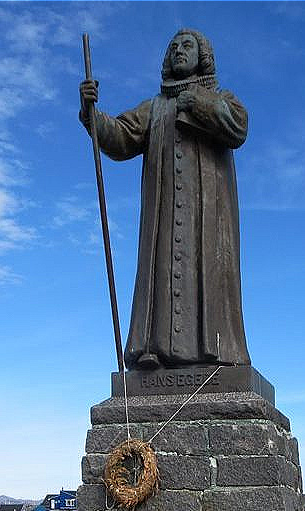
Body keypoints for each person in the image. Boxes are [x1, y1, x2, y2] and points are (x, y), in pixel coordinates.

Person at [80, 28, 251, 371]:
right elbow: (120, 137)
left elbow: (238, 127)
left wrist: (197, 102)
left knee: (206, 277)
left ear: (202, 55)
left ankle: (213, 353)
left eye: (187, 46)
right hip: (163, 213)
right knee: (161, 272)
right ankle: (153, 349)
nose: (178, 51)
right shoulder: (154, 108)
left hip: (207, 219)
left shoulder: (221, 98)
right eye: (173, 47)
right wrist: (92, 115)